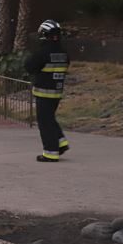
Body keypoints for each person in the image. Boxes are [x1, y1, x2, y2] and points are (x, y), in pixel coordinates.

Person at [24, 19, 69, 162]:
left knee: (44, 123)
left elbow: (30, 67)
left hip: (43, 93)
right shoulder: (64, 53)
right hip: (57, 93)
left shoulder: (42, 53)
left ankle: (50, 153)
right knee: (50, 119)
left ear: (44, 34)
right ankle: (61, 143)